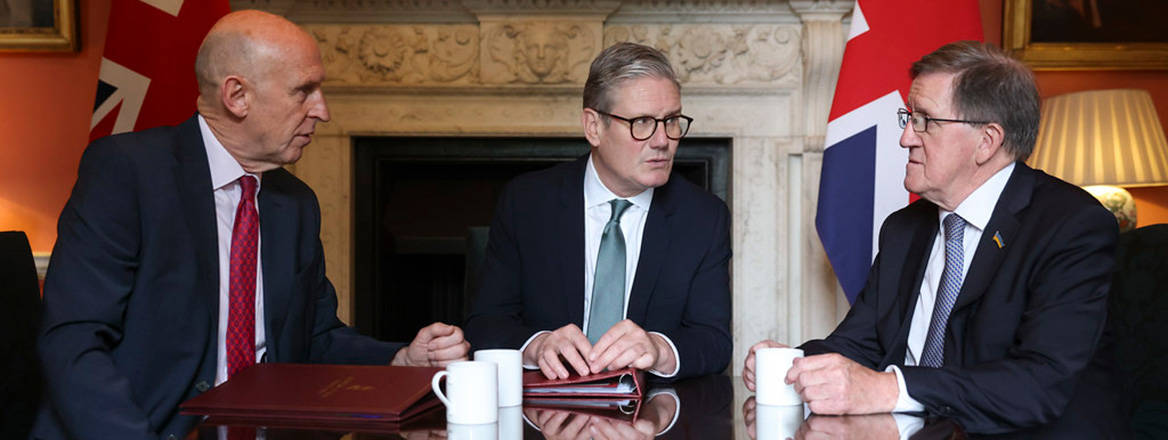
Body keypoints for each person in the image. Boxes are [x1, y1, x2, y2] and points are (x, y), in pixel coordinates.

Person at [33, 10, 468, 440]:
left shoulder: (293, 203)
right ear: (237, 95)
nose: (323, 110)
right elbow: (74, 343)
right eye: (305, 91)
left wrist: (401, 361)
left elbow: (315, 339)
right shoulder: (129, 174)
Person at [743, 41, 1121, 435]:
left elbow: (1039, 383)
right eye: (908, 117)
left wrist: (890, 389)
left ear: (987, 141)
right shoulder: (905, 228)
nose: (906, 137)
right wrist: (793, 364)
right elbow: (860, 344)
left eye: (924, 120)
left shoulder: (1072, 227)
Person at [465, 42, 731, 381]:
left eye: (672, 121)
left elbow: (714, 341)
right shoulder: (527, 203)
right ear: (593, 127)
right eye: (643, 122)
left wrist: (659, 349)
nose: (663, 140)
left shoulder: (704, 217)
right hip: (546, 417)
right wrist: (538, 345)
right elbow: (485, 324)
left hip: (650, 417)